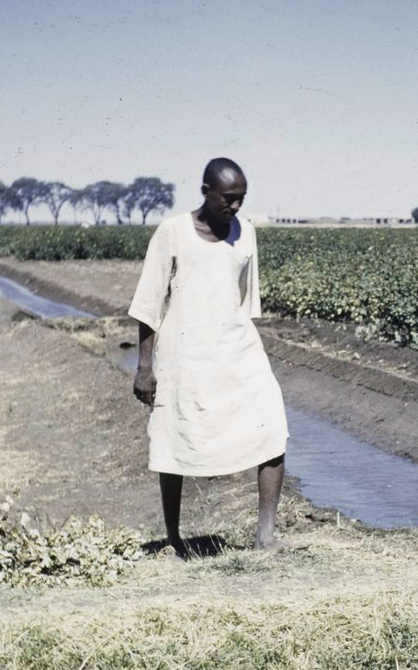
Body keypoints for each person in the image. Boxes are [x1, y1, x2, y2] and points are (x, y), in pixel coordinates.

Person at [129, 157, 288, 556]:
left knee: (272, 427)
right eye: (228, 199)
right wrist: (144, 368)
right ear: (206, 192)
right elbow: (149, 303)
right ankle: (173, 539)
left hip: (236, 349)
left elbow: (243, 301)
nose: (235, 207)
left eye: (241, 200)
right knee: (174, 439)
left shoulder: (245, 233)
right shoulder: (173, 233)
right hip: (184, 355)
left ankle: (265, 537)